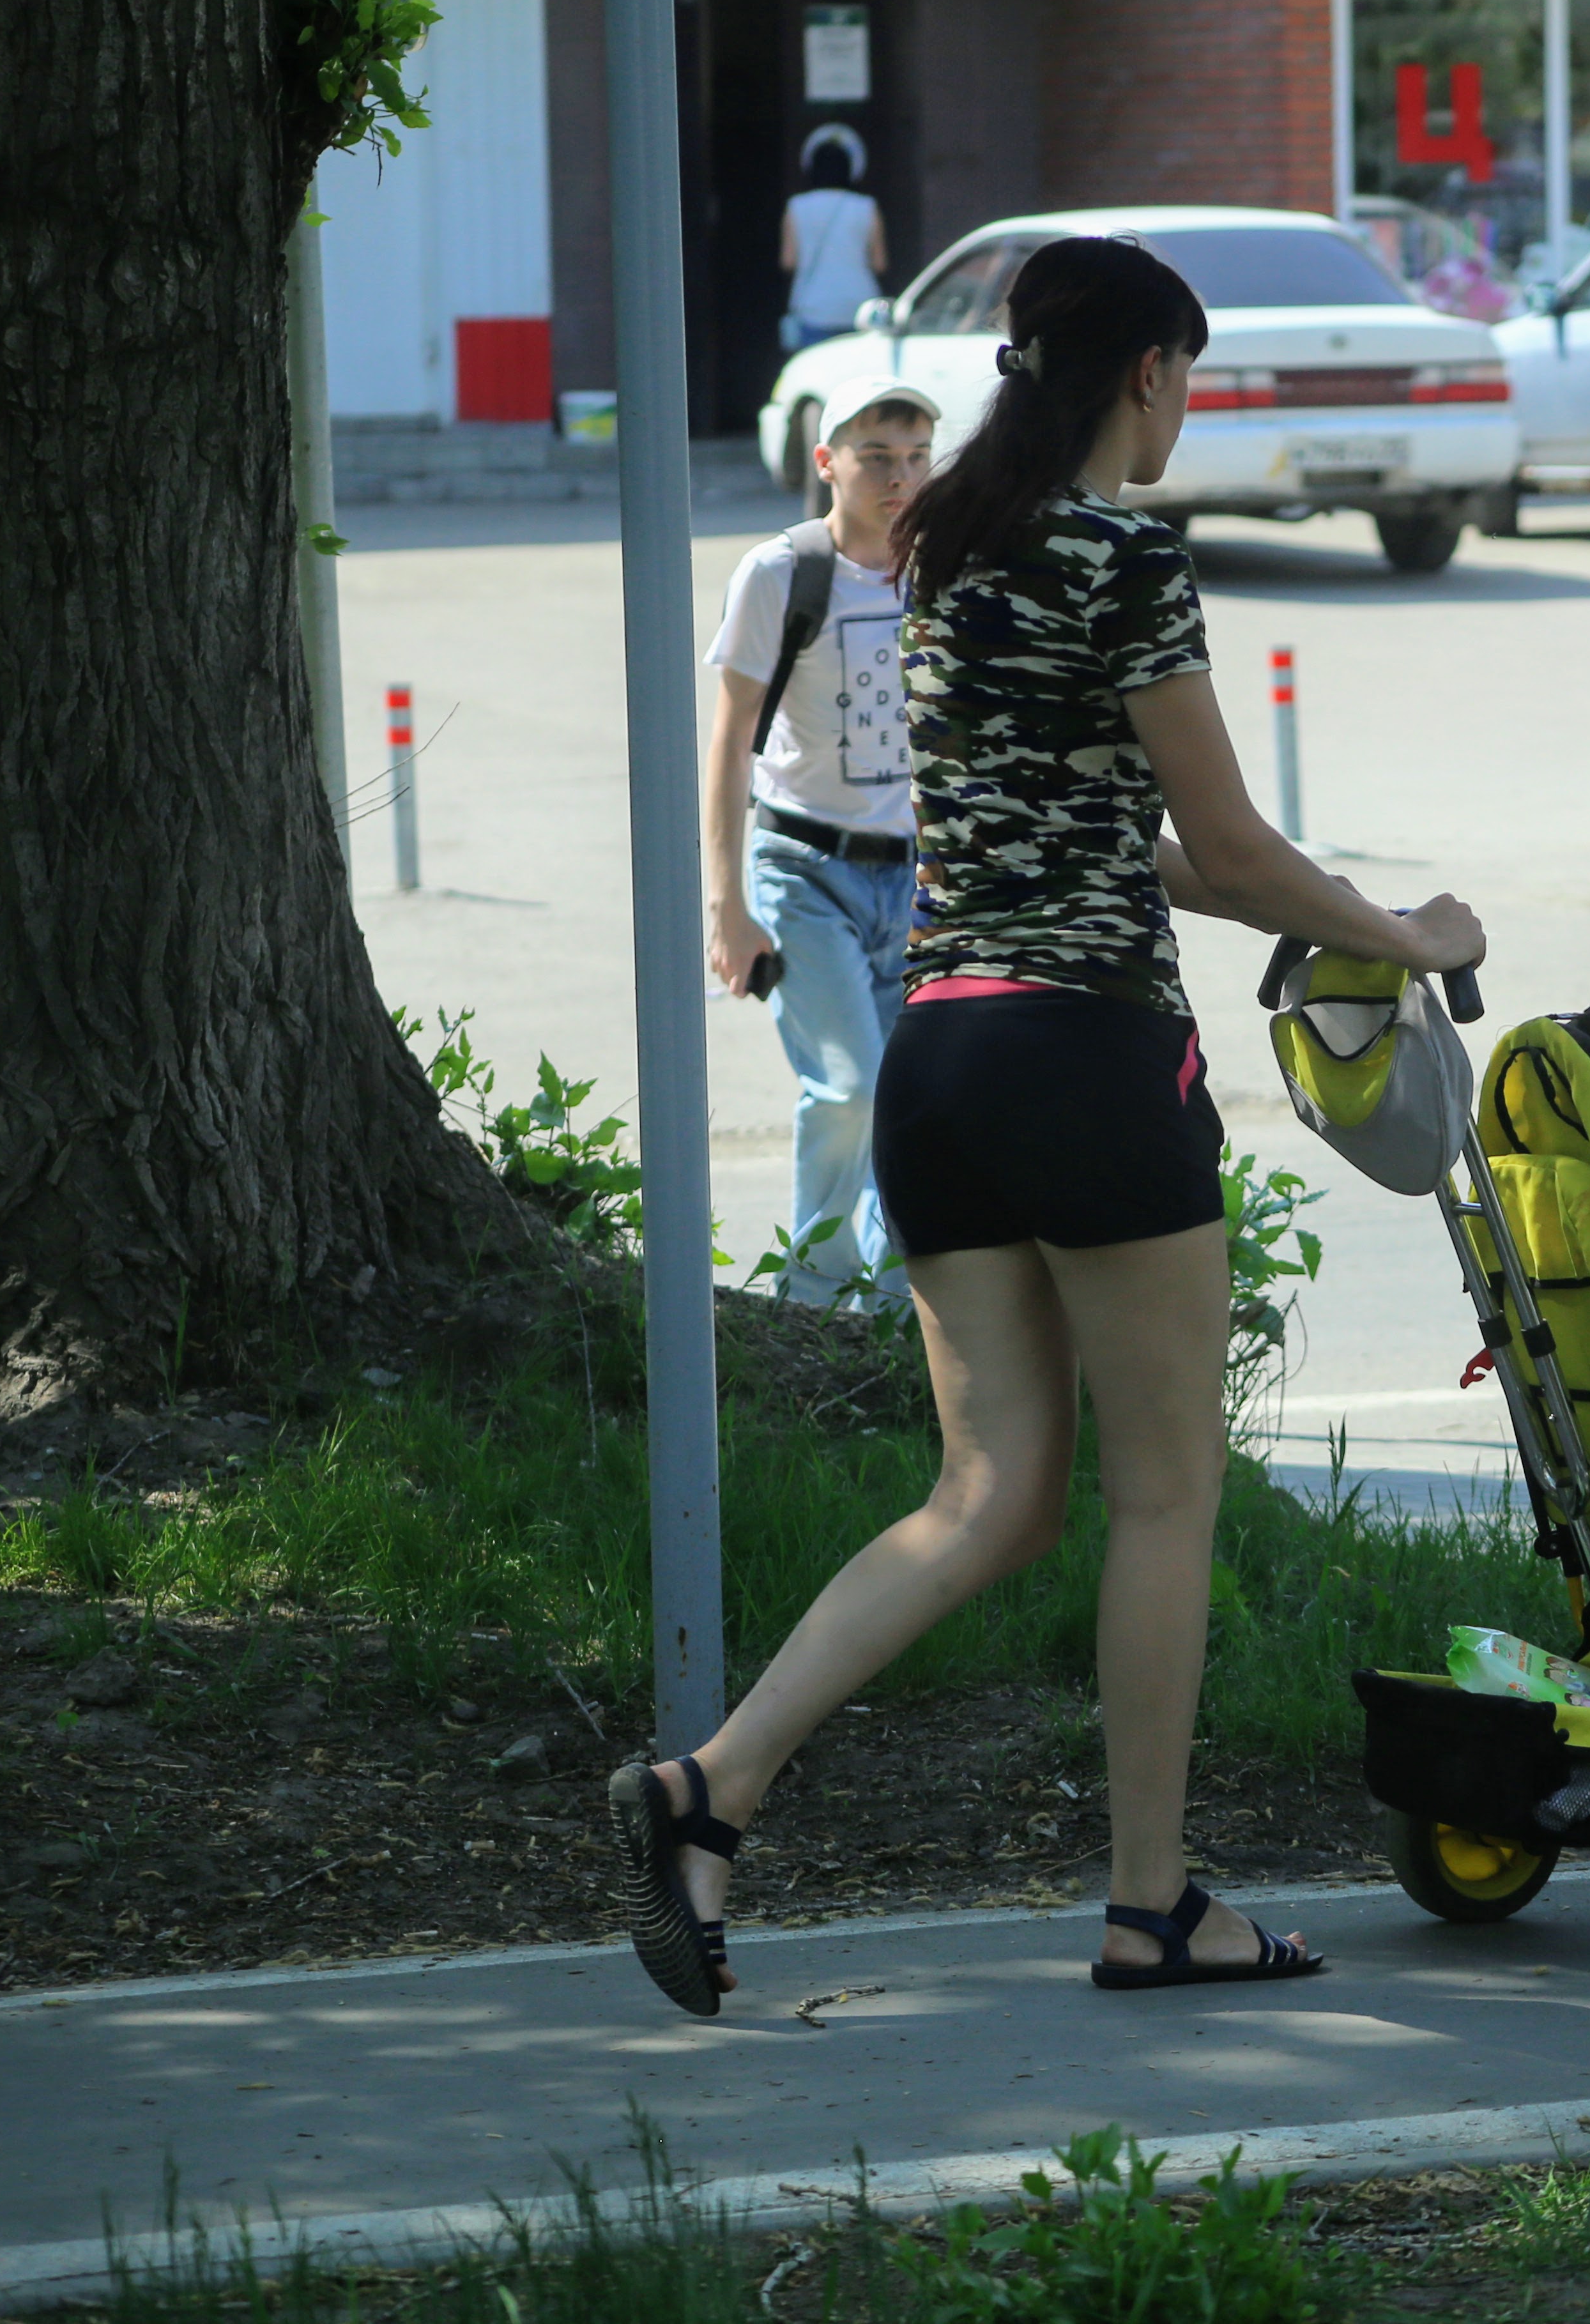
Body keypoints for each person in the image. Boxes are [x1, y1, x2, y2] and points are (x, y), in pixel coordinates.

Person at [609, 233, 1487, 2014]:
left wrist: (1309, 904)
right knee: (1165, 1493)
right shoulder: (1121, 555)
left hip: (942, 1056)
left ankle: (713, 1785)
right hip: (1089, 1057)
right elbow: (1224, 845)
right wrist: (1411, 935)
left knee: (989, 1495)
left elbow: (1104, 838)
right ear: (1147, 371)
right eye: (1190, 378)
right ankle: (1151, 1907)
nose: (1186, 411)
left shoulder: (941, 544)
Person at [701, 374, 940, 1306]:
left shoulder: (944, 569)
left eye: (917, 457)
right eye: (876, 458)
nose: (900, 478)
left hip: (918, 883)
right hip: (805, 871)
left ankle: (890, 1312)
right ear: (827, 462)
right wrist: (728, 906)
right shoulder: (781, 575)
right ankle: (814, 1304)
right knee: (850, 1089)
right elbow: (730, 743)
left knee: (910, 1097)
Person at [780, 138, 887, 351]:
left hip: (813, 308)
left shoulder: (797, 206)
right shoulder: (867, 206)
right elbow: (880, 264)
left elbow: (788, 261)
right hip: (860, 308)